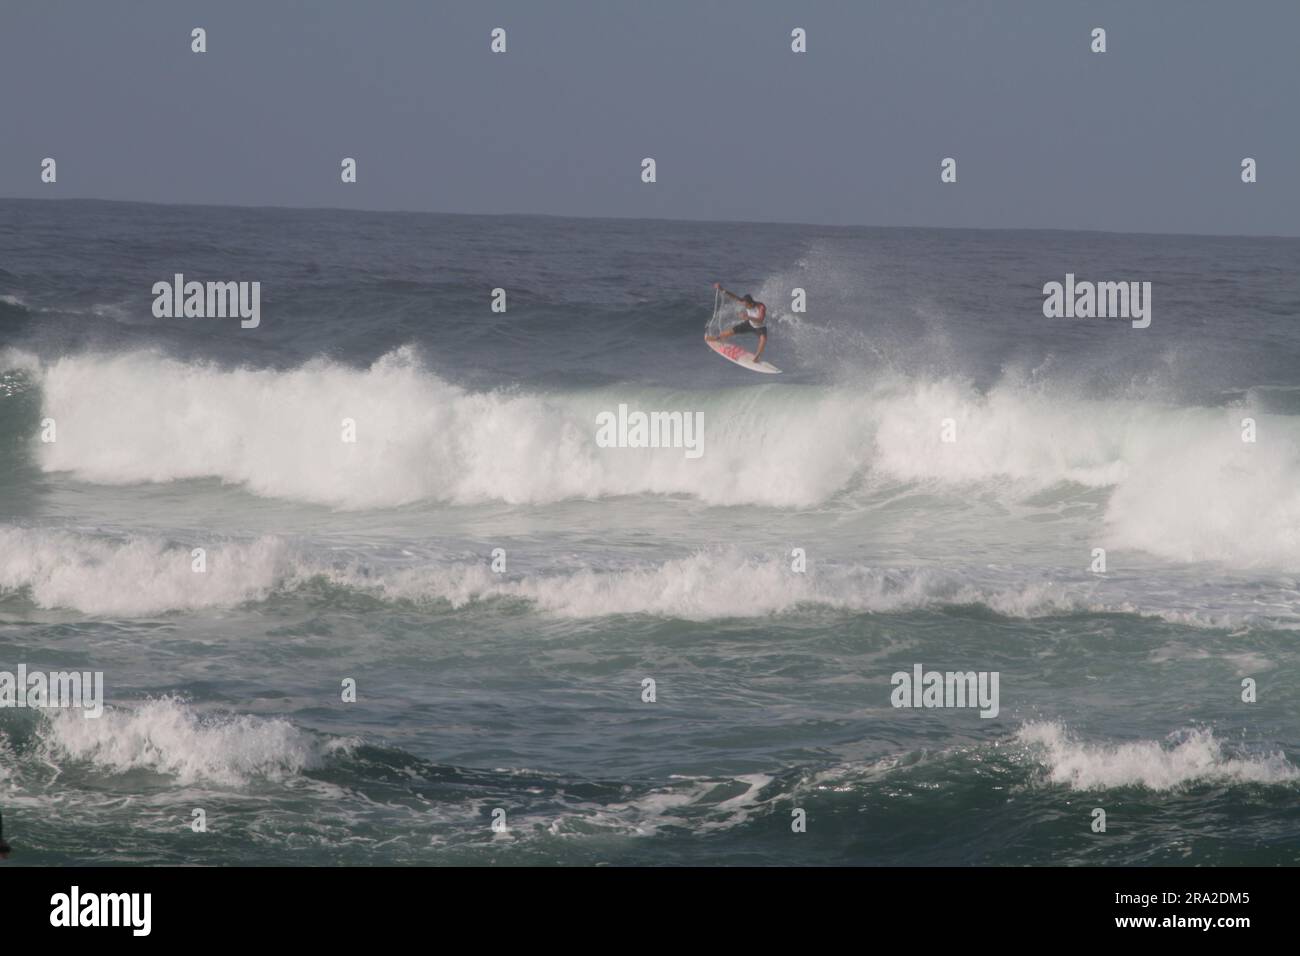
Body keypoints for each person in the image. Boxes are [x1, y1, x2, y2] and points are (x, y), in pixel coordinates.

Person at [706, 282, 769, 363]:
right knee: (731, 331)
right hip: (749, 324)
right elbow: (734, 297)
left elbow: (760, 319)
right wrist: (722, 289)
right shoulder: (746, 303)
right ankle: (717, 338)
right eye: (744, 304)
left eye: (746, 305)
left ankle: (757, 357)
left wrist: (748, 317)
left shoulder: (761, 307)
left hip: (760, 327)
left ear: (751, 303)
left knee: (763, 339)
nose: (745, 306)